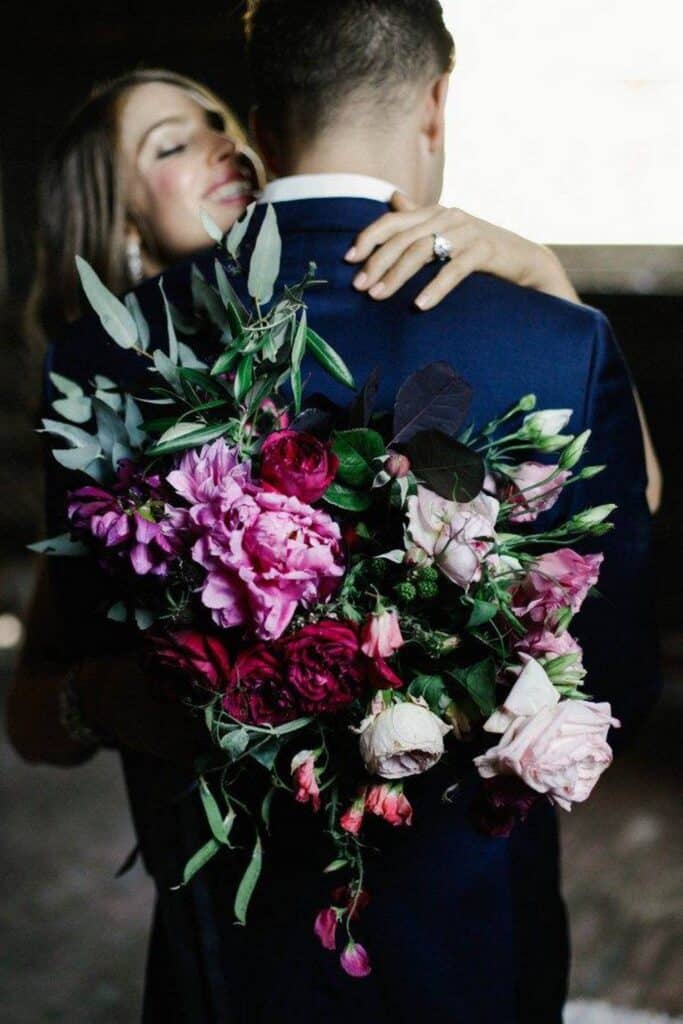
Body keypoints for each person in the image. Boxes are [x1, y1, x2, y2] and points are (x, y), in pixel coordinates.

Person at [8, 10, 659, 1019]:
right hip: (474, 955)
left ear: (262, 129)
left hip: (229, 965)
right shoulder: (544, 340)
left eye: (216, 126)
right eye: (172, 143)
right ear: (434, 101)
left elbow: (90, 651)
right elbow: (610, 672)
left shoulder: (100, 368)